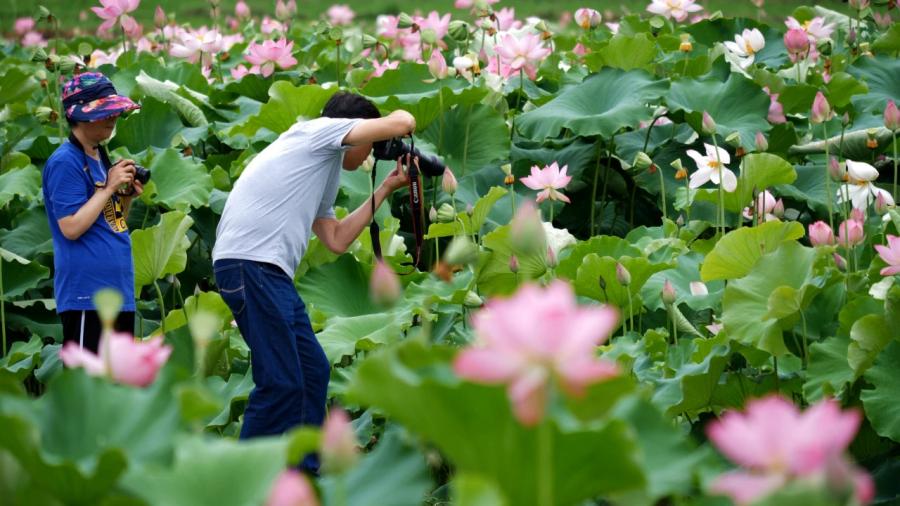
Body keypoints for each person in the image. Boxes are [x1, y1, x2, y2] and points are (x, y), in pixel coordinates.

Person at [212, 92, 415, 470]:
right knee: (280, 382)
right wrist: (397, 126)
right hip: (250, 265)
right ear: (354, 132)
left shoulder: (323, 160)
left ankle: (303, 473)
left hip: (268, 271)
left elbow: (335, 239)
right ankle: (240, 481)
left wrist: (385, 188)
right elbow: (402, 122)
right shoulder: (318, 133)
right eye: (369, 144)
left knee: (312, 370)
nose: (370, 153)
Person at [42, 72, 142, 352]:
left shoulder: (99, 156)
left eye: (114, 112)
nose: (113, 118)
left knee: (116, 389)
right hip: (87, 294)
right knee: (89, 388)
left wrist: (126, 196)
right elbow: (71, 227)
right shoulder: (65, 162)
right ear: (80, 116)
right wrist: (109, 188)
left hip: (118, 289)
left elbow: (111, 220)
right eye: (104, 113)